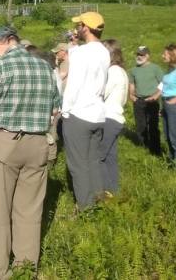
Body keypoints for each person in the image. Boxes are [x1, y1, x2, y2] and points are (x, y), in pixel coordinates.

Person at [0, 27, 61, 280]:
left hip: (4, 142)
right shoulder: (45, 67)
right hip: (37, 144)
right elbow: (55, 108)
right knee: (30, 211)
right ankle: (25, 269)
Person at [62, 12, 109, 211]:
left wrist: (65, 111)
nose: (77, 29)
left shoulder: (82, 53)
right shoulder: (104, 51)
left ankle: (86, 209)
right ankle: (100, 201)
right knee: (94, 161)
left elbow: (74, 84)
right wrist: (74, 46)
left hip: (79, 114)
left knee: (78, 165)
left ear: (85, 28)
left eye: (79, 25)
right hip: (98, 114)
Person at [100, 40, 128, 194]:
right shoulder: (121, 70)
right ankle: (113, 192)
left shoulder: (113, 71)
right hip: (116, 117)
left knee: (99, 157)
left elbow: (102, 92)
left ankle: (104, 193)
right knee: (110, 158)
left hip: (108, 117)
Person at [128, 46, 163, 156]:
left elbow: (163, 83)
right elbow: (132, 84)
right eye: (138, 54)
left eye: (142, 54)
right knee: (140, 126)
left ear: (148, 56)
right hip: (139, 100)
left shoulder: (155, 68)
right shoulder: (133, 70)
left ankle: (155, 149)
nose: (139, 56)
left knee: (153, 125)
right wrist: (131, 95)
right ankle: (143, 146)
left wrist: (156, 96)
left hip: (152, 100)